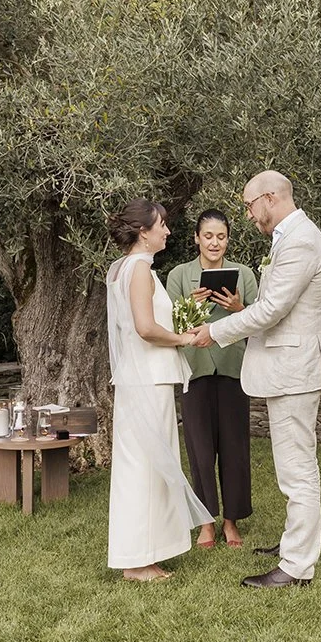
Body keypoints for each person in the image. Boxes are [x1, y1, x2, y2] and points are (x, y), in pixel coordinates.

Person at [193, 171, 321, 590]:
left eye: (250, 207)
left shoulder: (302, 240)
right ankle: (295, 543)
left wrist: (215, 331)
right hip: (286, 370)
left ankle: (296, 567)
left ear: (269, 198)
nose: (250, 217)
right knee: (292, 465)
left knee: (298, 470)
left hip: (295, 371)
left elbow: (271, 310)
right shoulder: (289, 238)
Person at [105, 198, 214, 582]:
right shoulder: (138, 269)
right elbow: (145, 329)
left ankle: (144, 554)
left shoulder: (126, 268)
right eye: (162, 225)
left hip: (143, 379)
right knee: (144, 469)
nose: (168, 231)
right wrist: (183, 340)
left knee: (147, 468)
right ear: (143, 231)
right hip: (147, 381)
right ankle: (135, 561)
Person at [164, 209, 259, 550]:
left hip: (235, 370)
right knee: (200, 450)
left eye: (221, 237)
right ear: (196, 238)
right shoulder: (179, 275)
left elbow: (260, 321)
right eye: (208, 236)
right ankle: (206, 521)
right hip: (196, 371)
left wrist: (237, 308)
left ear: (228, 239)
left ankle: (231, 522)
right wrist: (190, 305)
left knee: (234, 448)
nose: (214, 242)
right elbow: (171, 326)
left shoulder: (245, 275)